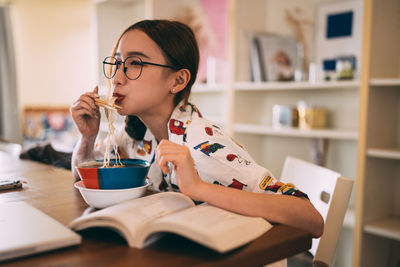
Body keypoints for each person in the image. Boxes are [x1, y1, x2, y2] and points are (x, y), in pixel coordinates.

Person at [70, 20, 323, 238]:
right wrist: (87, 138)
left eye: (135, 63)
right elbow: (82, 177)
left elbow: (311, 218)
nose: (116, 77)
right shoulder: (136, 133)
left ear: (177, 80)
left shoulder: (201, 143)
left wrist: (200, 188)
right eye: (116, 63)